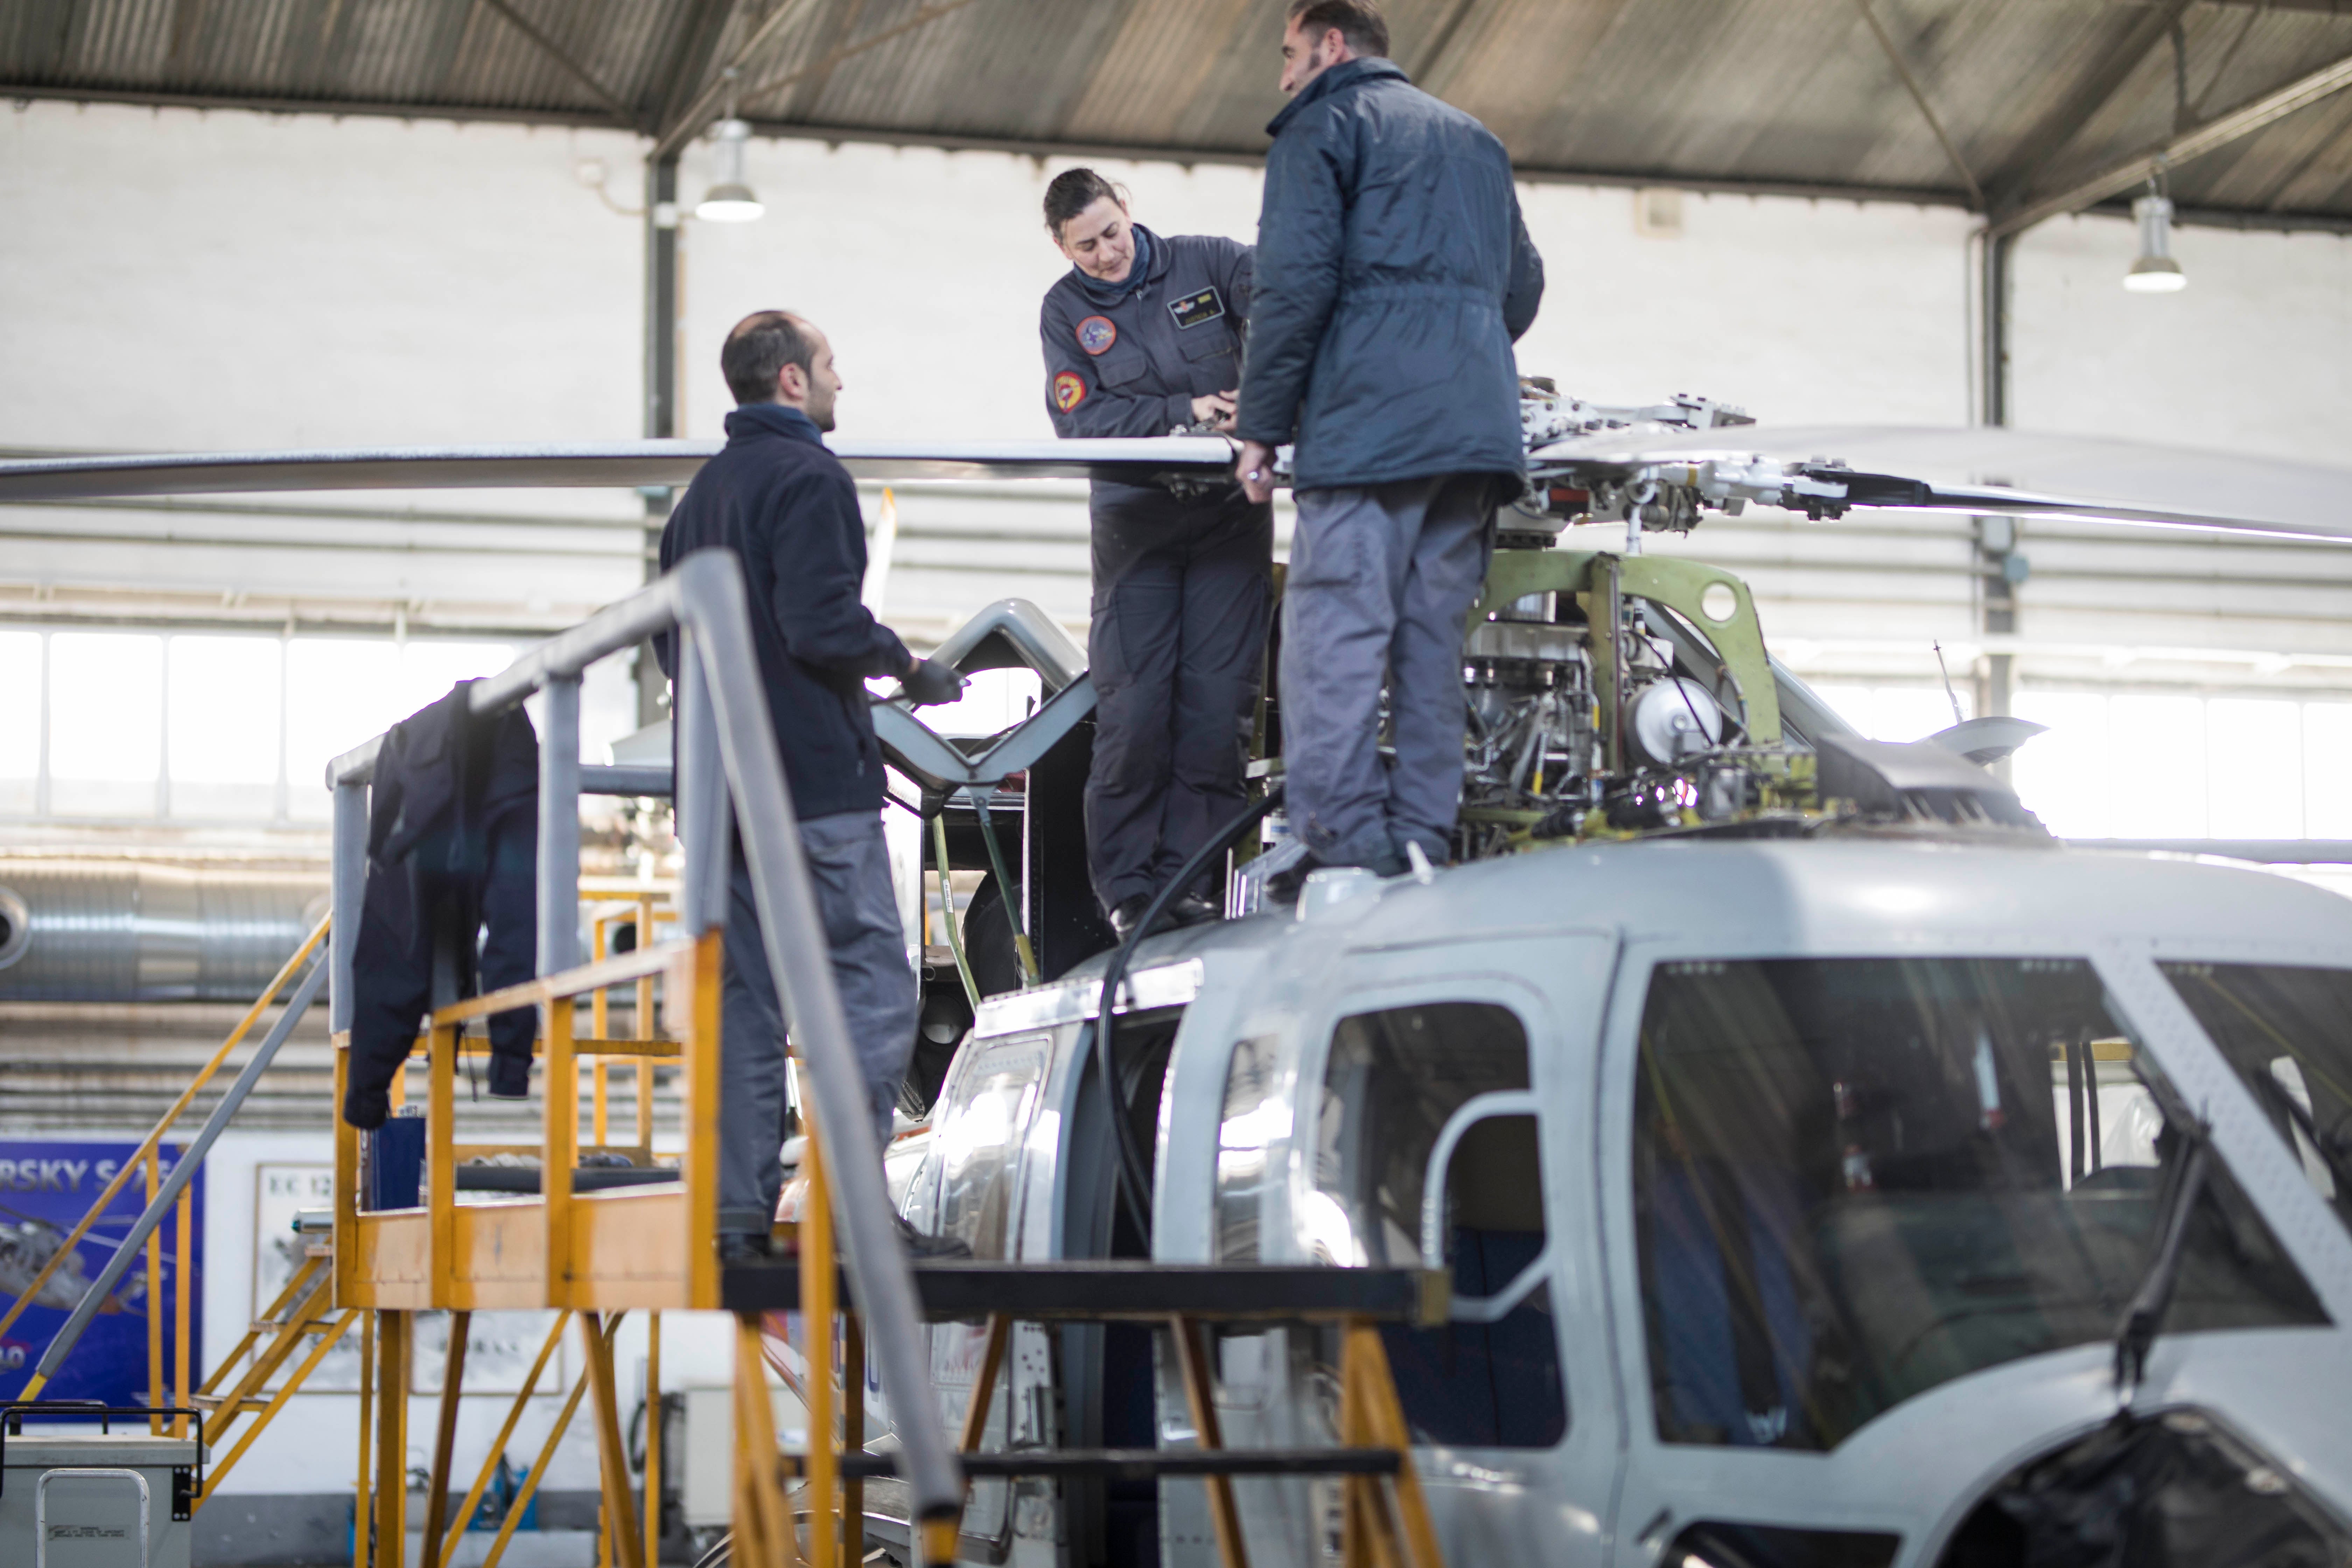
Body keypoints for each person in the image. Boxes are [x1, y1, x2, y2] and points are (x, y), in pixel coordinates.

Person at [656, 310, 967, 1261]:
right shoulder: (809, 477)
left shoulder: (698, 500)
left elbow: (678, 647)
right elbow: (823, 626)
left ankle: (738, 1215)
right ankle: (851, 1211)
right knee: (869, 990)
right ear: (792, 380)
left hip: (720, 797)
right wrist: (911, 670)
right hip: (812, 789)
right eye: (830, 364)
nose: (841, 381)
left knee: (747, 1003)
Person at [1234, 0, 1544, 882]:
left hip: (1369, 432)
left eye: (1290, 55)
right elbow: (1520, 289)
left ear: (1332, 46)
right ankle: (1420, 839)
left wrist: (1261, 423)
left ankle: (1346, 849)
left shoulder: (1324, 125)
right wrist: (1454, 352)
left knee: (1336, 634)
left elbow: (1292, 287)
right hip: (1475, 435)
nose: (1284, 76)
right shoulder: (1475, 139)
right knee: (1430, 646)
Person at [1039, 169, 1275, 938]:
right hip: (1137, 523)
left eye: (1111, 232)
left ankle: (1194, 879)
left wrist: (1269, 398)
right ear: (1060, 246)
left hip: (1229, 520)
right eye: (1087, 245)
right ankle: (1130, 889)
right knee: (1135, 710)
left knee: (1214, 709)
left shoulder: (1208, 262)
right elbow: (1083, 421)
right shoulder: (1066, 310)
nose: (1106, 254)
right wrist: (1185, 411)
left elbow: (1287, 304)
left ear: (1128, 212)